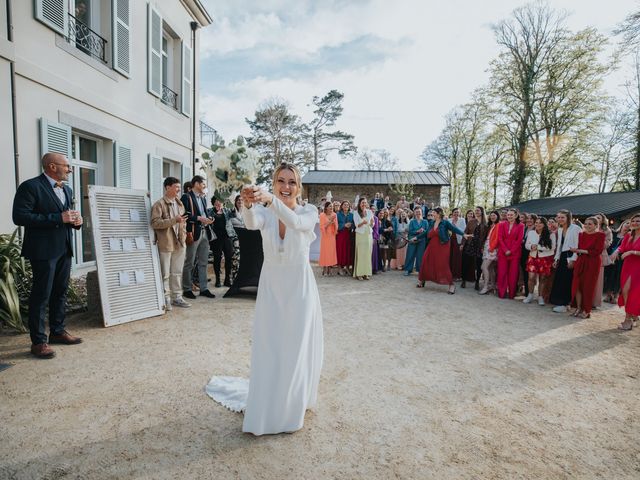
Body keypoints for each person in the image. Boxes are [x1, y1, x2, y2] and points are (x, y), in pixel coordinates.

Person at [205, 163, 323, 435]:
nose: (286, 186)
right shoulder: (265, 212)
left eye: (291, 182)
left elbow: (295, 223)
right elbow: (250, 223)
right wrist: (247, 204)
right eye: (280, 181)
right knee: (270, 344)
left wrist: (270, 200)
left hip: (299, 286)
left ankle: (291, 405)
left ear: (299, 186)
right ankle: (269, 401)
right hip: (271, 285)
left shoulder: (309, 212)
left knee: (294, 346)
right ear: (274, 182)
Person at [12, 153, 83, 358]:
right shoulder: (30, 186)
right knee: (41, 295)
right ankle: (38, 342)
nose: (70, 169)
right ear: (52, 166)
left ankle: (58, 332)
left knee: (60, 292)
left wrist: (76, 222)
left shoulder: (67, 189)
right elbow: (20, 217)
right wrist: (57, 217)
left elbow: (65, 216)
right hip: (43, 251)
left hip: (64, 249)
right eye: (67, 166)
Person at [150, 176, 191, 310]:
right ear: (168, 187)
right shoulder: (159, 204)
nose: (179, 190)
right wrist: (174, 220)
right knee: (165, 273)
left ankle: (177, 297)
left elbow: (182, 223)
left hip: (180, 242)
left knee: (177, 272)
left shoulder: (180, 204)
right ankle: (165, 298)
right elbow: (155, 223)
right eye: (177, 187)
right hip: (166, 243)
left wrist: (183, 236)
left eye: (179, 187)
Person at [417, 207, 469, 294]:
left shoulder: (445, 223)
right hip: (432, 246)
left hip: (443, 245)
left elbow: (454, 229)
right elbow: (426, 233)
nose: (432, 214)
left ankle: (451, 285)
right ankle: (422, 280)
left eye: (434, 213)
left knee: (442, 264)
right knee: (426, 261)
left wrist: (464, 234)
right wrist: (416, 237)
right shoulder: (431, 222)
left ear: (439, 214)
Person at [181, 176, 215, 299]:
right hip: (193, 233)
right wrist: (199, 218)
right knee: (189, 262)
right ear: (196, 184)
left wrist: (209, 219)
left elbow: (205, 213)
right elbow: (184, 215)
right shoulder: (186, 197)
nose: (205, 187)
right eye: (203, 185)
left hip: (204, 232)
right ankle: (187, 289)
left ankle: (204, 288)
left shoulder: (203, 198)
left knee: (203, 262)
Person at [569, 217, 605, 318]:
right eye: (586, 223)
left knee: (588, 286)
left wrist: (580, 251)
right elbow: (577, 247)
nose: (587, 226)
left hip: (593, 262)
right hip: (581, 261)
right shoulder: (581, 234)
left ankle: (586, 310)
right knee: (577, 285)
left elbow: (597, 251)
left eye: (590, 224)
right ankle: (578, 307)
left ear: (595, 225)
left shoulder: (600, 235)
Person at [611, 213, 640, 330]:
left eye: (638, 221)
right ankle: (633, 314)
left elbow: (629, 251)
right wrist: (616, 251)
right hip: (627, 266)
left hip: (638, 267)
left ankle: (628, 320)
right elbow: (622, 247)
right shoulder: (628, 235)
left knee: (633, 292)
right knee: (625, 291)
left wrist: (632, 252)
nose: (635, 223)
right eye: (634, 221)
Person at [549, 210, 581, 313]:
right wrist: (556, 259)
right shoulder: (560, 229)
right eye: (558, 217)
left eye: (562, 217)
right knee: (560, 279)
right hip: (562, 256)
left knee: (567, 280)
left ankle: (566, 303)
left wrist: (573, 260)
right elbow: (559, 245)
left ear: (568, 218)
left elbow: (578, 245)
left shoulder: (576, 228)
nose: (560, 219)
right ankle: (560, 302)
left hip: (571, 256)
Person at [523, 217, 556, 305]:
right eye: (536, 222)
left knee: (543, 278)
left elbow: (552, 247)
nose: (537, 224)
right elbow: (526, 245)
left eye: (540, 223)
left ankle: (540, 296)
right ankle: (530, 295)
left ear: (544, 224)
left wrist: (538, 247)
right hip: (533, 257)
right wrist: (530, 247)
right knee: (531, 277)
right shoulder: (531, 233)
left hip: (545, 258)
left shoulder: (551, 234)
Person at [497, 208, 525, 299]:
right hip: (503, 252)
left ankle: (512, 293)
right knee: (502, 273)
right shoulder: (501, 224)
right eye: (508, 215)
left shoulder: (521, 225)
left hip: (515, 253)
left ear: (516, 215)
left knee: (513, 274)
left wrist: (511, 251)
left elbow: (519, 240)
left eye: (511, 215)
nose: (509, 216)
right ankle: (502, 292)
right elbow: (500, 238)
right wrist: (505, 250)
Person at [208, 196, 234, 288]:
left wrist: (229, 201)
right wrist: (215, 212)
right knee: (217, 259)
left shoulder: (227, 211)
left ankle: (227, 279)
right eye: (217, 201)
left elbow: (234, 213)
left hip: (227, 237)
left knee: (229, 258)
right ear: (213, 202)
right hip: (216, 239)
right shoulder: (210, 211)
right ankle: (218, 280)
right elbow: (208, 220)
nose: (219, 202)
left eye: (220, 201)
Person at [603, 220, 629, 304]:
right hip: (608, 257)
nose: (627, 225)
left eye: (629, 224)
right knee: (609, 275)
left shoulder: (628, 236)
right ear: (622, 224)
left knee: (618, 276)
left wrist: (619, 253)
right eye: (626, 223)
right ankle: (608, 294)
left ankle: (616, 295)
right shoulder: (613, 233)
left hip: (620, 259)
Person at [592, 213, 612, 308]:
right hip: (587, 255)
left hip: (600, 255)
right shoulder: (589, 227)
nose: (596, 218)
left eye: (599, 217)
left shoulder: (606, 230)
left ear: (603, 220)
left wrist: (596, 239)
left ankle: (594, 303)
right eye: (595, 217)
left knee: (598, 280)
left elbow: (607, 244)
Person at [352, 197, 374, 280]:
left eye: (365, 202)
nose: (364, 204)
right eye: (362, 203)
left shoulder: (369, 211)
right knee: (361, 254)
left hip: (368, 234)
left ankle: (366, 273)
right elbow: (357, 224)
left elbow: (372, 224)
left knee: (368, 254)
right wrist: (363, 222)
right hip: (360, 234)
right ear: (359, 204)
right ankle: (359, 274)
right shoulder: (355, 213)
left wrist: (372, 223)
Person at [479, 210, 500, 295]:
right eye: (491, 216)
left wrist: (492, 248)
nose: (492, 217)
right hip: (487, 247)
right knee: (490, 268)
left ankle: (486, 286)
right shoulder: (491, 225)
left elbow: (497, 238)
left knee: (483, 267)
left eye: (494, 215)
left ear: (497, 216)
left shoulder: (499, 225)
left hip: (492, 248)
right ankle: (493, 285)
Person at [403, 207, 429, 276]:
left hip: (422, 240)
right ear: (414, 213)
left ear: (422, 212)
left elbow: (427, 231)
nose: (418, 213)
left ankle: (420, 270)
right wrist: (417, 231)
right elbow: (410, 231)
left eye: (419, 211)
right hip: (412, 240)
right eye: (416, 212)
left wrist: (423, 231)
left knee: (420, 256)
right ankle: (408, 269)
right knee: (410, 255)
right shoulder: (412, 221)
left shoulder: (425, 221)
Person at [520, 213, 537, 297]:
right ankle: (526, 291)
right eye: (528, 218)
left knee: (529, 275)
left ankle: (528, 293)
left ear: (534, 220)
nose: (529, 220)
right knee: (524, 273)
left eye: (531, 219)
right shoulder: (525, 228)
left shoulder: (536, 229)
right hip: (523, 253)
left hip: (531, 254)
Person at [319, 202, 338, 276]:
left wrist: (334, 224)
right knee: (324, 252)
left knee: (331, 252)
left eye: (332, 207)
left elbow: (336, 226)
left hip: (332, 235)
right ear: (326, 207)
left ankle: (330, 268)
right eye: (330, 206)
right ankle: (324, 268)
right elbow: (322, 227)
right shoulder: (322, 215)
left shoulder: (334, 215)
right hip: (325, 236)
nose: (331, 208)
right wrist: (330, 222)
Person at [336, 201, 354, 276]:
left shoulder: (352, 215)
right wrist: (344, 225)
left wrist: (351, 225)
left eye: (347, 205)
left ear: (349, 206)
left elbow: (354, 224)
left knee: (348, 251)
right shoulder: (338, 214)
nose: (346, 206)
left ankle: (347, 267)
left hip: (348, 235)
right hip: (340, 235)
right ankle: (339, 267)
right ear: (342, 206)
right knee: (340, 251)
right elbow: (336, 224)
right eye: (344, 205)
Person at [460, 209, 477, 288]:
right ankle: (464, 280)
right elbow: (465, 233)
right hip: (467, 243)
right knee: (465, 262)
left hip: (476, 245)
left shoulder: (477, 222)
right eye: (469, 213)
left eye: (471, 214)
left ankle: (472, 278)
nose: (470, 215)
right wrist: (462, 244)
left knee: (473, 262)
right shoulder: (466, 222)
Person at [448, 208, 465, 281]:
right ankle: (449, 274)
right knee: (450, 257)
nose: (456, 214)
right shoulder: (448, 220)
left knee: (457, 258)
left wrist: (454, 227)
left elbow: (463, 230)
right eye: (455, 212)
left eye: (457, 212)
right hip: (449, 240)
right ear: (452, 213)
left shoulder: (462, 220)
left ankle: (457, 275)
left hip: (458, 240)